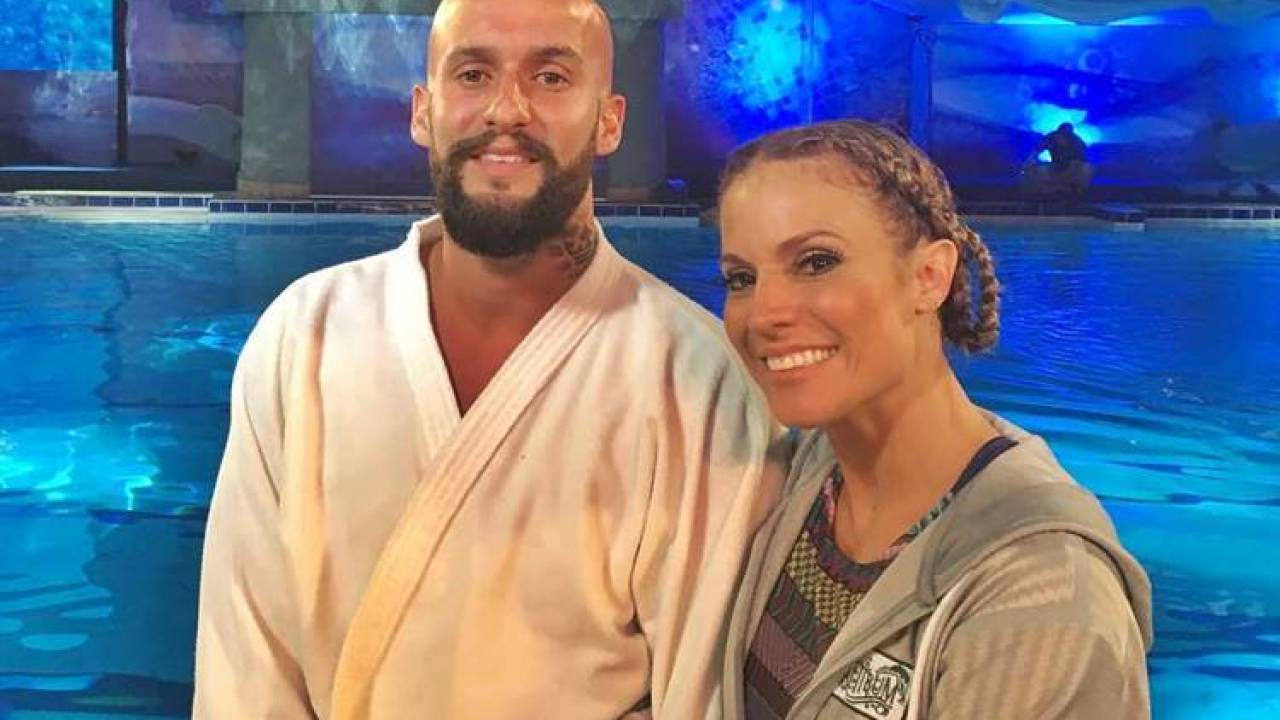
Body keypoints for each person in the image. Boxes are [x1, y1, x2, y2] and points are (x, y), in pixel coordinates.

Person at [192, 1, 786, 717]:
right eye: (473, 74)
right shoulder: (306, 335)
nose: (508, 109)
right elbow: (243, 668)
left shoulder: (695, 380)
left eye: (551, 77)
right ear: (423, 112)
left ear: (609, 121)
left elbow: (702, 696)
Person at [714, 120, 1152, 719]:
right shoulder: (807, 478)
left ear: (929, 277)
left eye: (817, 262)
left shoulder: (1043, 593)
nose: (764, 313)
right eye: (741, 278)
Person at [1022, 122, 1094, 197]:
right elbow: (1037, 149)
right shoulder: (1051, 137)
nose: (1062, 137)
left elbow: (1082, 158)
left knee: (1082, 169)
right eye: (1061, 134)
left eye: (1065, 135)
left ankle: (1071, 189)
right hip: (1055, 167)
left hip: (1071, 167)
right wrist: (1030, 160)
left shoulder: (1077, 142)